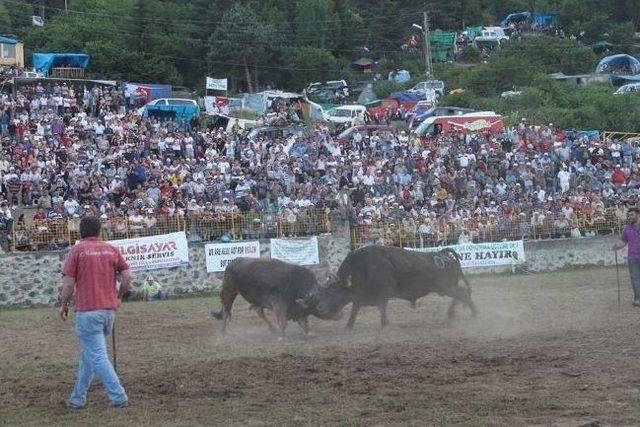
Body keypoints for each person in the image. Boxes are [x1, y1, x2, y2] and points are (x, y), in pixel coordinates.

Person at [58, 216, 132, 408]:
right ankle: (77, 398)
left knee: (97, 356)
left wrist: (63, 304)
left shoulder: (76, 251)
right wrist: (120, 296)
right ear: (100, 231)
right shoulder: (111, 249)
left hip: (88, 311)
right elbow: (127, 276)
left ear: (80, 231)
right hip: (109, 311)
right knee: (89, 355)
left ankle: (118, 395)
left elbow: (67, 285)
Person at [612, 207, 640, 306]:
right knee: (635, 278)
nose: (629, 217)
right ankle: (637, 299)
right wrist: (616, 246)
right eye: (628, 215)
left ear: (638, 214)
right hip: (632, 257)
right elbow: (623, 241)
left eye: (632, 214)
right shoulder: (627, 228)